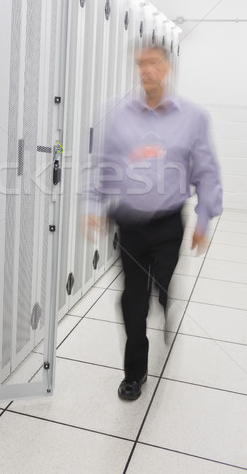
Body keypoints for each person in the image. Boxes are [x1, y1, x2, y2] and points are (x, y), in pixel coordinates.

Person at [83, 44, 222, 400]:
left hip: (168, 223)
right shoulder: (119, 114)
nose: (146, 70)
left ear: (168, 67)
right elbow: (106, 166)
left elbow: (206, 171)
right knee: (133, 300)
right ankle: (135, 373)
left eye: (153, 63)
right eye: (141, 64)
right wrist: (94, 205)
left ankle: (163, 295)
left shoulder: (192, 117)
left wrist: (205, 218)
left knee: (161, 282)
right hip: (129, 223)